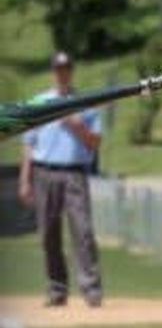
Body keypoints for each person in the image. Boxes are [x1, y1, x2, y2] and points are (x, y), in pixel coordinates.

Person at [18, 51, 103, 307]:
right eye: (58, 69)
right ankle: (57, 290)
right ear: (53, 72)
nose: (62, 73)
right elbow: (29, 144)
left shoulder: (85, 102)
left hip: (74, 172)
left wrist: (76, 125)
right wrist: (25, 179)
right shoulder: (40, 102)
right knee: (48, 233)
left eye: (66, 68)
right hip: (45, 172)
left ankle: (91, 290)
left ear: (71, 71)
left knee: (83, 231)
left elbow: (95, 142)